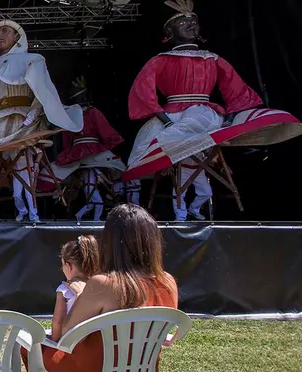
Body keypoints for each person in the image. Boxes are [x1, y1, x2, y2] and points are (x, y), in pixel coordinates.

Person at [123, 0, 302, 221]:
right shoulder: (159, 61)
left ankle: (190, 205)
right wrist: (166, 121)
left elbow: (235, 89)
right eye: (183, 20)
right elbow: (144, 93)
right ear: (169, 31)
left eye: (194, 21)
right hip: (173, 116)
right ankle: (177, 195)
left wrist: (231, 118)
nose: (191, 24)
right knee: (154, 145)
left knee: (197, 124)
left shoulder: (213, 59)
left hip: (204, 113)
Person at [21, 204, 179, 372]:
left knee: (31, 350)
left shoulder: (103, 285)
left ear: (112, 242)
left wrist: (78, 293)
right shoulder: (169, 282)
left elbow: (65, 335)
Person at [0, 20, 83, 222]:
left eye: (5, 30)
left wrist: (31, 117)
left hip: (24, 119)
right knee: (11, 164)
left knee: (23, 163)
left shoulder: (33, 60)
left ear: (17, 37)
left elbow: (41, 93)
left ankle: (29, 210)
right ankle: (23, 209)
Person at [38, 76, 127, 221]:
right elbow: (106, 133)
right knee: (121, 174)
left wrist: (68, 154)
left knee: (102, 192)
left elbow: (67, 141)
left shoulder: (77, 114)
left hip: (83, 152)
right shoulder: (91, 112)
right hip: (91, 151)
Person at [52, 235, 100, 341]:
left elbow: (57, 322)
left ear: (68, 266)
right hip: (95, 343)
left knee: (25, 347)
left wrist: (54, 342)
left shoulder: (64, 290)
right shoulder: (99, 287)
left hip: (70, 345)